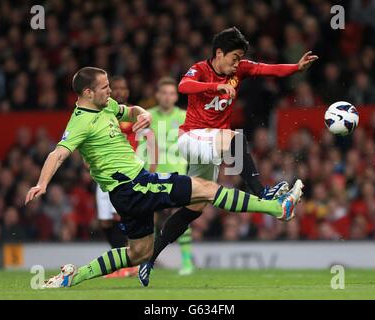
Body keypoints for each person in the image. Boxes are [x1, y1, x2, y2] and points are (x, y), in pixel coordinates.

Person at [24, 66, 303, 288]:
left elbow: (129, 110)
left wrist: (142, 113)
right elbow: (58, 154)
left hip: (126, 192)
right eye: (104, 88)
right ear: (87, 92)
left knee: (139, 254)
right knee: (206, 188)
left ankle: (73, 276)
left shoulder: (105, 106)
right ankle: (276, 207)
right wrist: (42, 183)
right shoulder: (80, 121)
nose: (110, 91)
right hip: (133, 184)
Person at [138, 27, 318, 286]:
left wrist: (295, 67)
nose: (237, 63)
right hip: (191, 138)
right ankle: (262, 193)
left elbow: (267, 69)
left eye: (240, 58)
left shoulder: (239, 69)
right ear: (219, 53)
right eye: (234, 57)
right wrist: (217, 87)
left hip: (211, 146)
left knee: (195, 207)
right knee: (234, 137)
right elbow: (183, 85)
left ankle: (149, 258)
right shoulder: (200, 69)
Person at [141, 77, 194, 275]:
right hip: (152, 175)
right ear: (157, 95)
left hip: (178, 174)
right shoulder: (148, 116)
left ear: (176, 96)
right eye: (163, 93)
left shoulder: (185, 116)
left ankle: (187, 262)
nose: (167, 97)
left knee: (181, 217)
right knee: (150, 220)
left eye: (171, 93)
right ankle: (149, 261)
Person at [95, 75, 138, 278]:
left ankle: (125, 264)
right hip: (104, 172)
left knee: (120, 216)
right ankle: (123, 263)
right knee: (105, 220)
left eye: (124, 88)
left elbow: (149, 140)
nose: (120, 91)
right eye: (116, 88)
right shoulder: (101, 113)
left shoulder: (133, 114)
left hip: (126, 173)